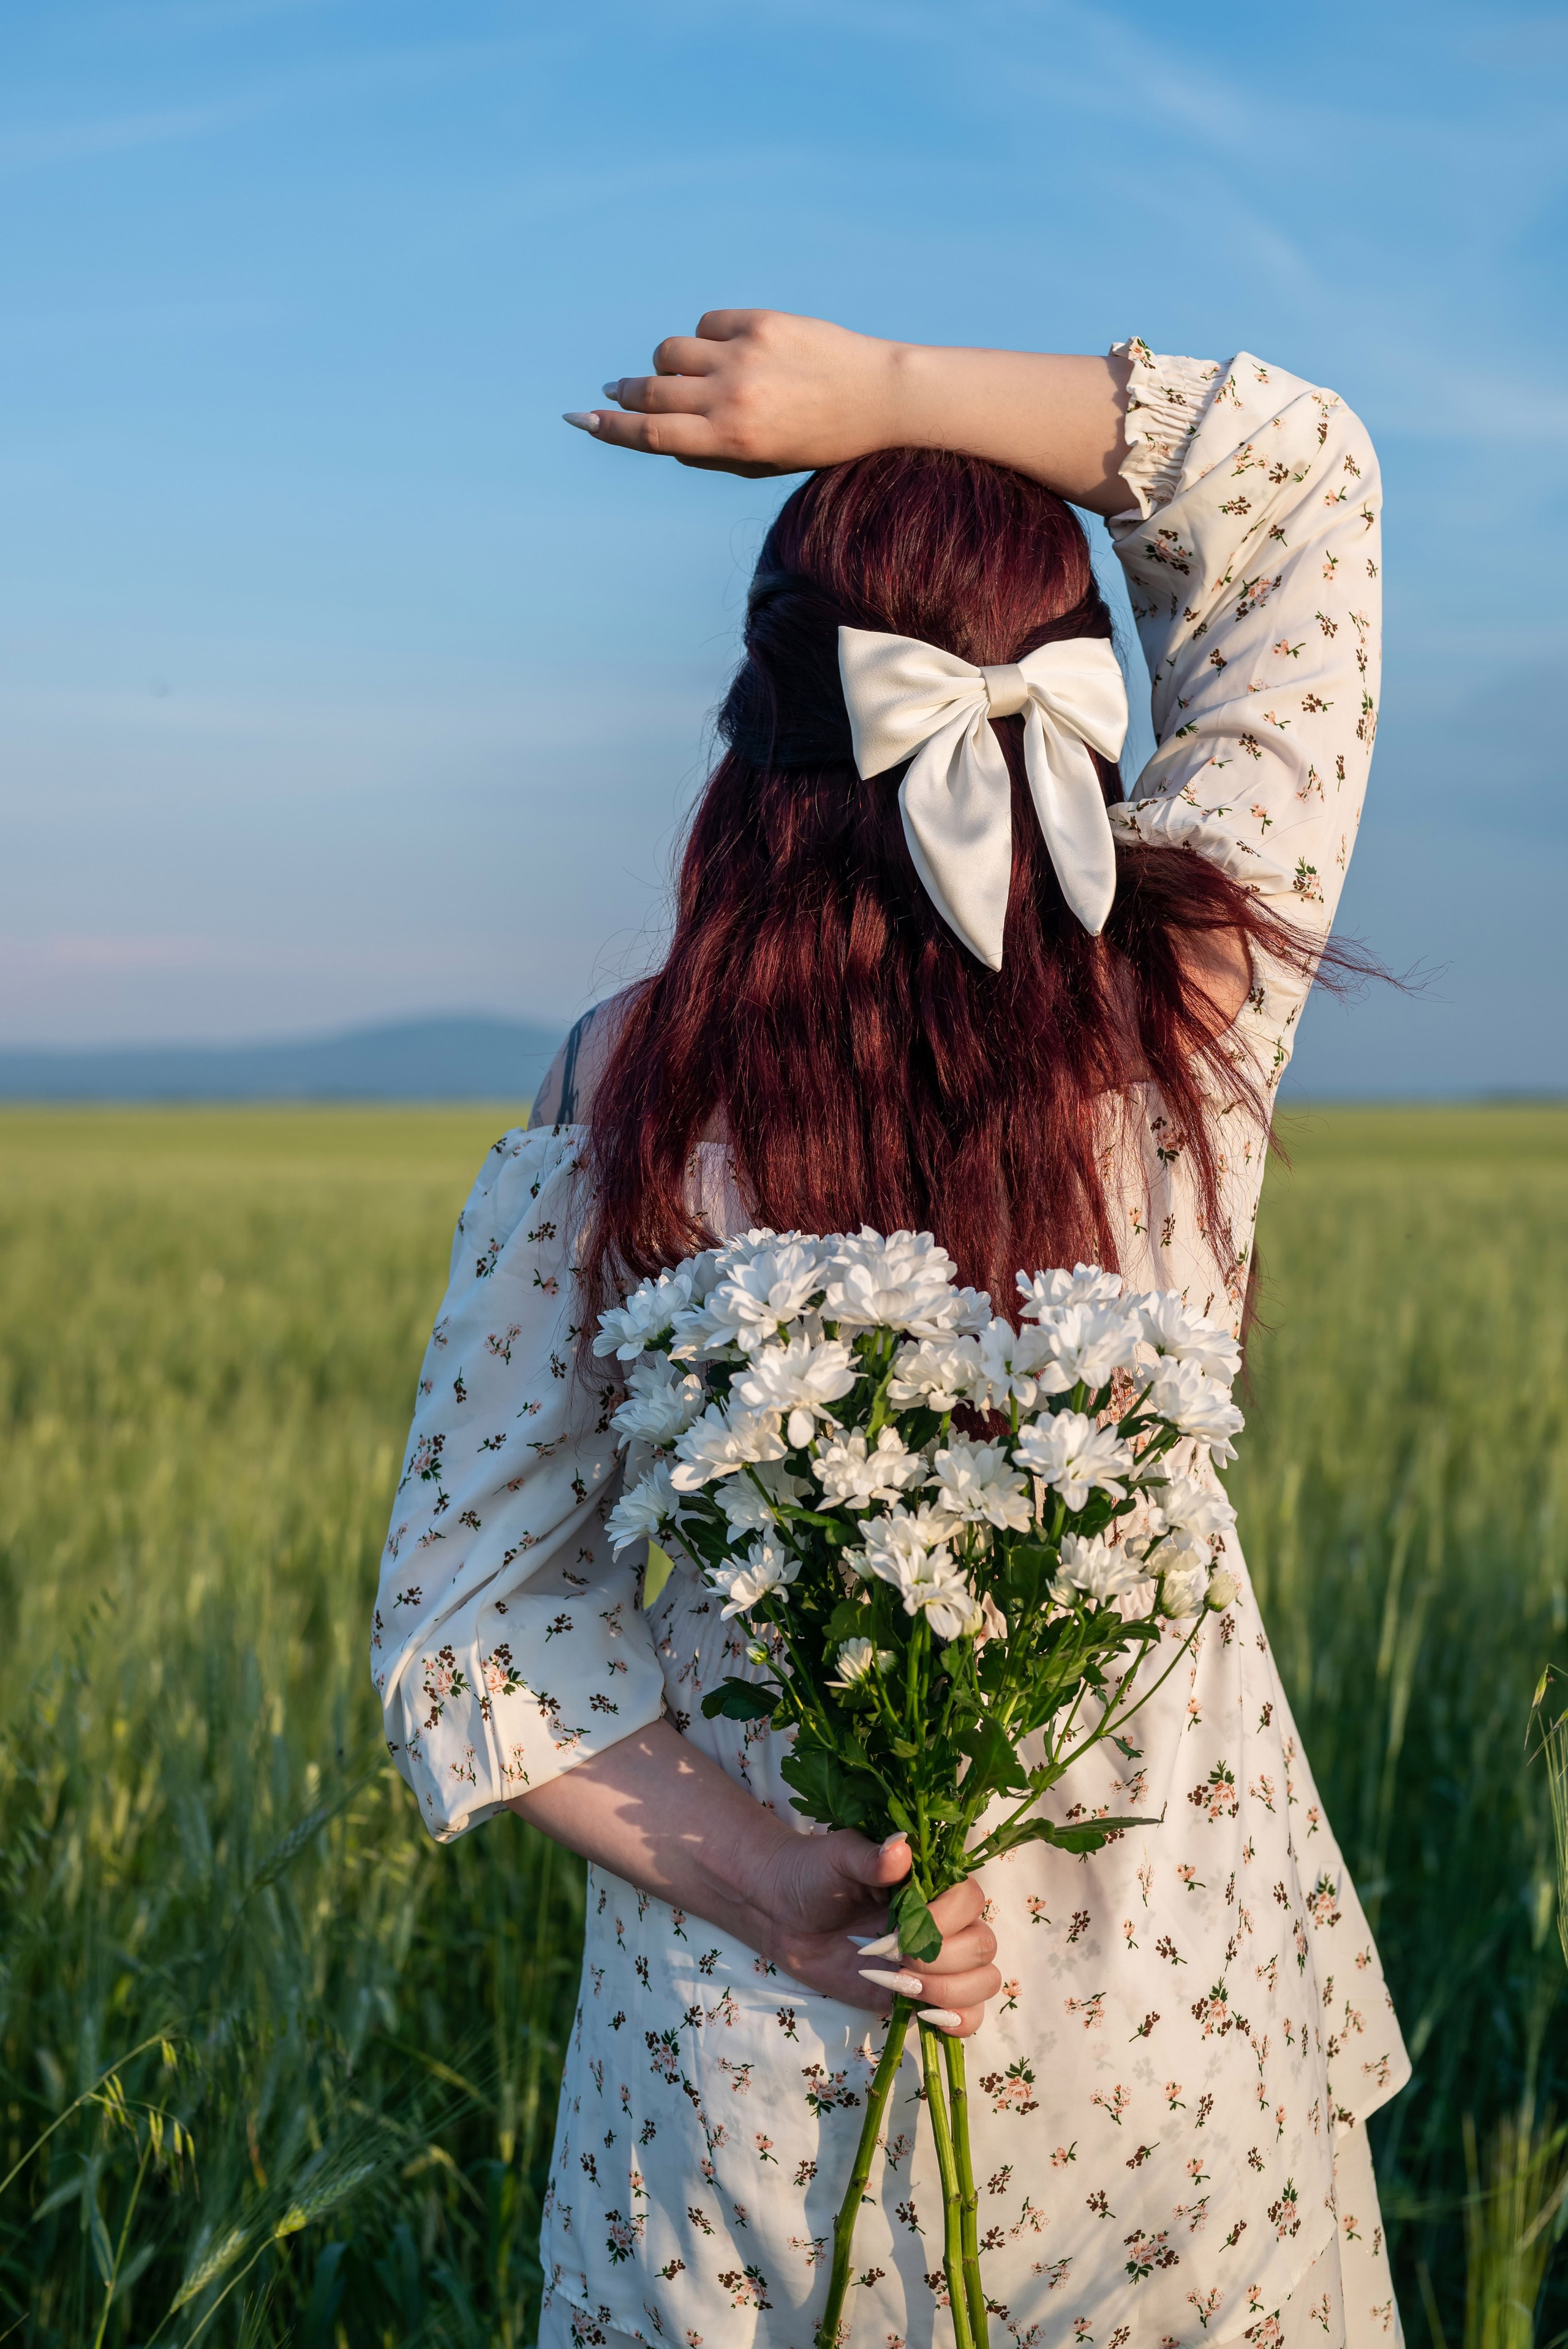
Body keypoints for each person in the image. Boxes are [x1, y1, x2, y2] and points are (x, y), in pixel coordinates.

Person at [372, 314, 1408, 2349]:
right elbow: (1306, 482)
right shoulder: (1190, 1007)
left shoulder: (629, 1091)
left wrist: (775, 1877)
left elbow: (472, 1613)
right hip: (1183, 2096)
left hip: (750, 2124)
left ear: (757, 743)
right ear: (1085, 694)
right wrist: (888, 389)